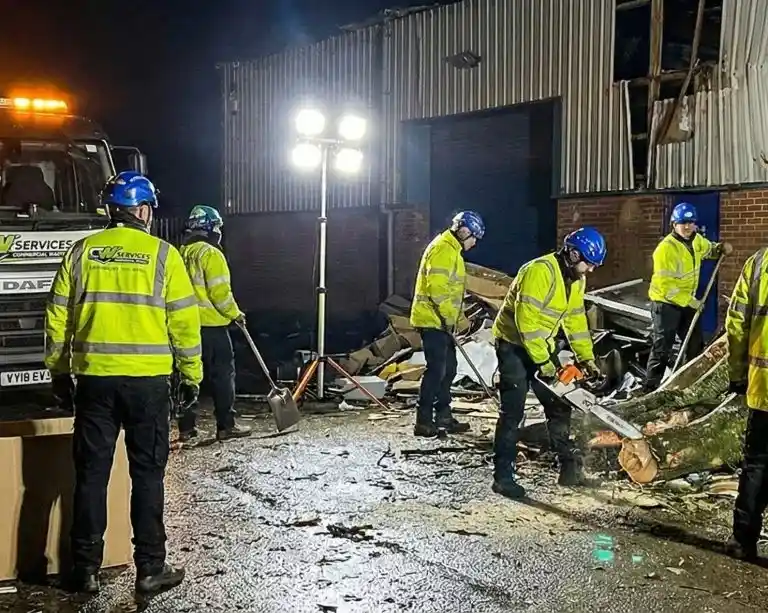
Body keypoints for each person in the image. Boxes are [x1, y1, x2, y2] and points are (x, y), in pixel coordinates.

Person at [45, 171, 202, 595]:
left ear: (112, 211)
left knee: (91, 475)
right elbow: (185, 324)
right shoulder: (164, 256)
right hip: (148, 384)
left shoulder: (81, 253)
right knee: (147, 476)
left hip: (94, 380)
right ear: (144, 210)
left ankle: (85, 569)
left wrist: (59, 371)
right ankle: (151, 567)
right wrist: (191, 377)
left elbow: (58, 317)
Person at [491, 227, 606, 499]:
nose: (589, 270)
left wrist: (586, 357)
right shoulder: (539, 271)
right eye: (587, 263)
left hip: (543, 345)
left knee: (559, 404)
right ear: (573, 253)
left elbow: (575, 321)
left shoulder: (576, 279)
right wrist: (545, 363)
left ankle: (569, 470)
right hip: (514, 346)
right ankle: (503, 477)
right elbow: (526, 323)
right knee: (513, 411)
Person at [176, 204, 251, 442]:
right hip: (212, 328)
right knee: (222, 376)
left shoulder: (180, 254)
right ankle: (225, 426)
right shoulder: (210, 254)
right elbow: (220, 293)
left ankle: (186, 429)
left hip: (185, 327)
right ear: (211, 228)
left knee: (188, 377)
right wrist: (235, 314)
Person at [409, 210, 485, 437]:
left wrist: (455, 320)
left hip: (441, 322)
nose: (474, 243)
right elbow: (438, 289)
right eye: (474, 238)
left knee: (449, 369)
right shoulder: (443, 249)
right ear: (463, 232)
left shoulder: (452, 250)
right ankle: (423, 421)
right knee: (436, 371)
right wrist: (450, 319)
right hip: (432, 320)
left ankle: (443, 415)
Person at [642, 202, 732, 393]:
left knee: (694, 344)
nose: (688, 227)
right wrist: (693, 302)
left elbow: (709, 250)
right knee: (662, 348)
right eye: (683, 223)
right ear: (674, 224)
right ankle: (650, 389)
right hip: (665, 303)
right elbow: (667, 288)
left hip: (687, 302)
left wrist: (720, 248)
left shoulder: (696, 240)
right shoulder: (665, 249)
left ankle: (685, 384)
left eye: (691, 222)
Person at [724, 247, 768, 561]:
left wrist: (738, 374)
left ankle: (743, 541)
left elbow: (736, 323)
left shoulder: (758, 263)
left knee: (757, 465)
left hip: (763, 386)